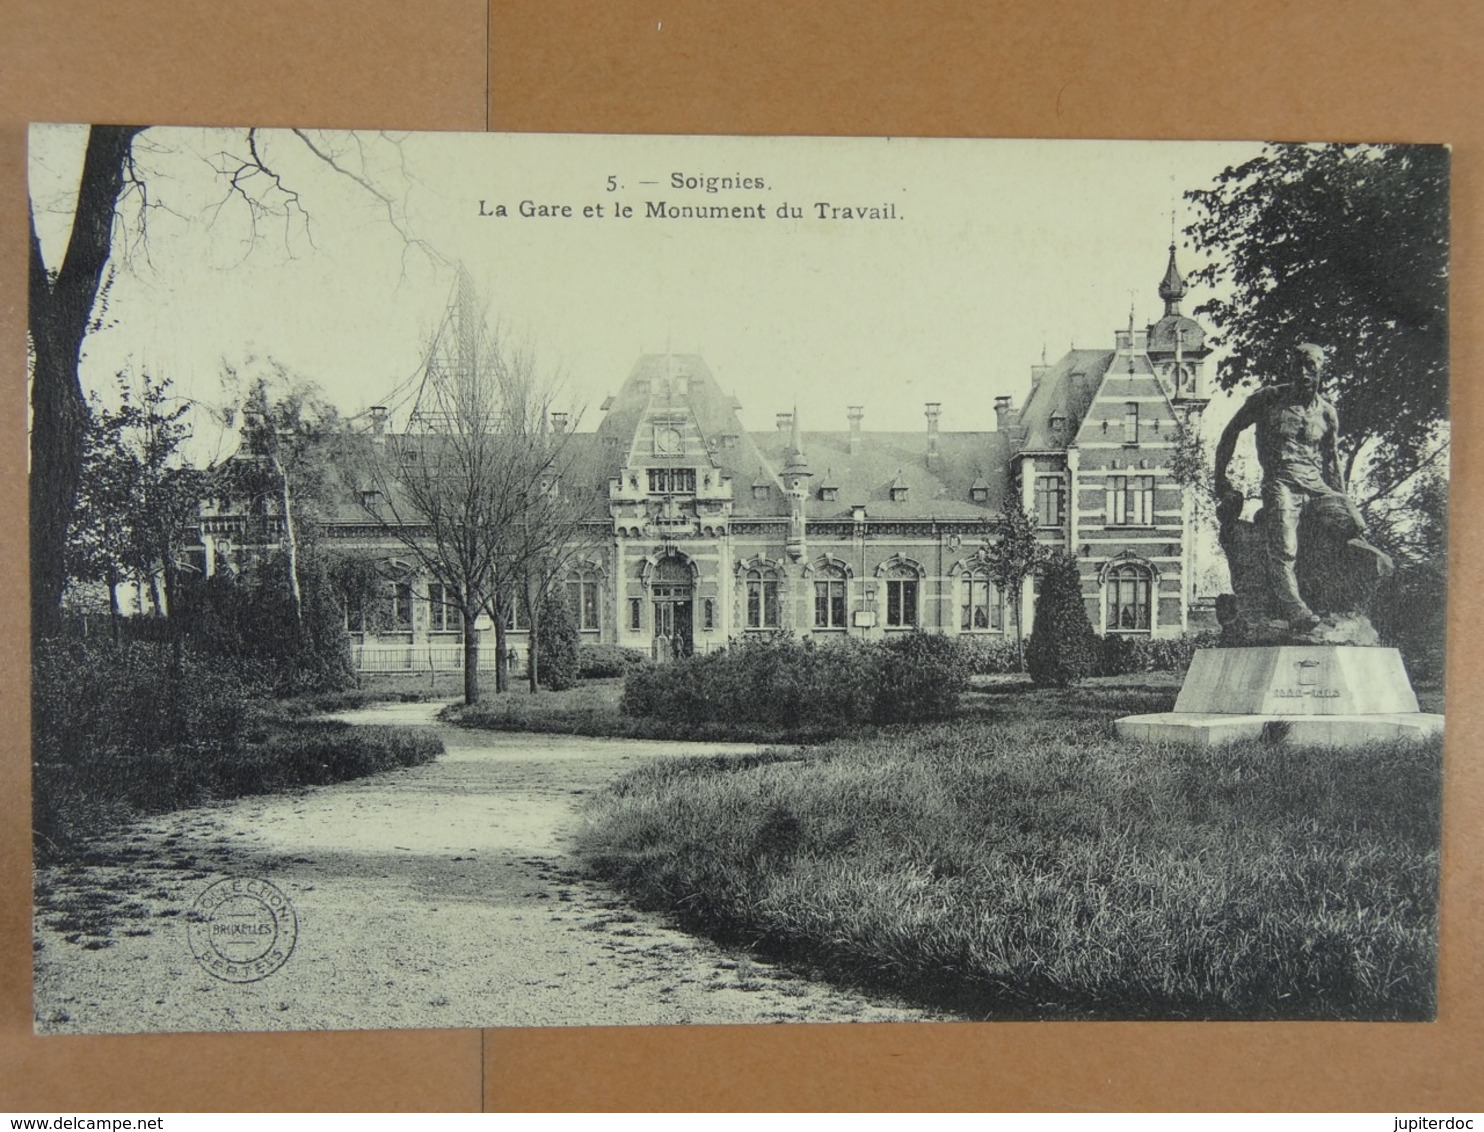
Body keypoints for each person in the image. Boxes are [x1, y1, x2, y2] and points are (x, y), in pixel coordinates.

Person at [1213, 343, 1371, 632]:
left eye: (1310, 366)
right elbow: (1231, 431)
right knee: (1284, 546)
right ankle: (1294, 608)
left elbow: (1332, 461)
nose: (1302, 372)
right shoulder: (1267, 400)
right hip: (1281, 480)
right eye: (1296, 366)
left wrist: (1340, 499)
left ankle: (1337, 603)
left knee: (1355, 526)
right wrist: (1220, 479)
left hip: (1317, 485)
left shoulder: (1327, 413)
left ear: (1321, 370)